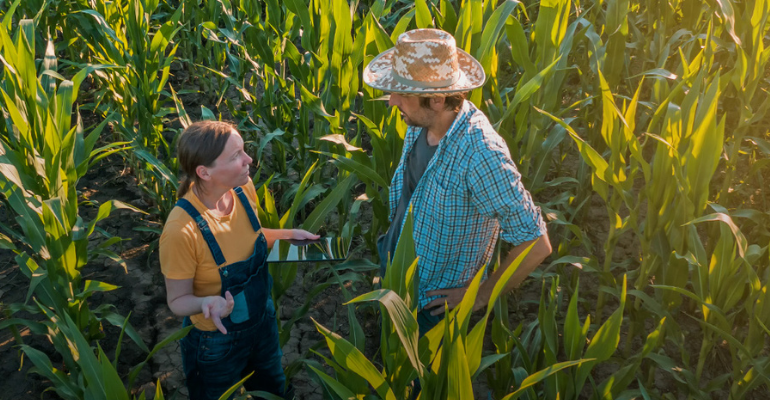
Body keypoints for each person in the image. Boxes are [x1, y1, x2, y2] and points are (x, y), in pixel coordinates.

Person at [364, 28, 552, 336]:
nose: (391, 101)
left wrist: (479, 296)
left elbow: (535, 242)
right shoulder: (421, 122)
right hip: (396, 275)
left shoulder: (480, 155)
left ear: (437, 100)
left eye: (402, 94)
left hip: (432, 307)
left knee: (419, 384)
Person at [159, 121, 318, 400]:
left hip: (263, 324)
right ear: (204, 172)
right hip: (216, 343)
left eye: (243, 150)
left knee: (274, 392)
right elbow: (177, 300)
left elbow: (249, 237)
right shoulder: (181, 231)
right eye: (235, 157)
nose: (248, 160)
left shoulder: (242, 189)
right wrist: (205, 303)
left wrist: (289, 235)